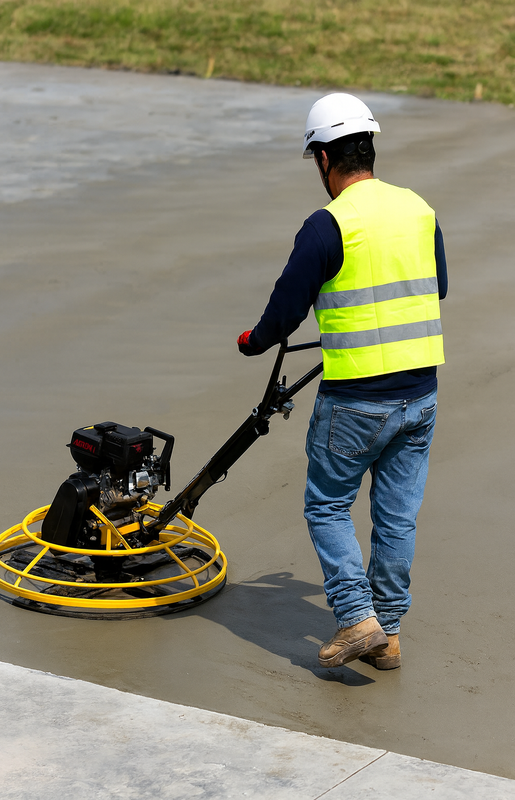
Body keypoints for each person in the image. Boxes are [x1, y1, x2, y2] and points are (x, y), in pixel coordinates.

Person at [237, 93, 447, 671]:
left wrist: (253, 342)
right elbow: (437, 286)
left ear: (325, 158)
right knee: (396, 518)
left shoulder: (328, 225)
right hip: (421, 397)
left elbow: (285, 312)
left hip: (356, 399)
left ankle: (357, 617)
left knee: (328, 506)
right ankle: (390, 634)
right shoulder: (419, 210)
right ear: (369, 148)